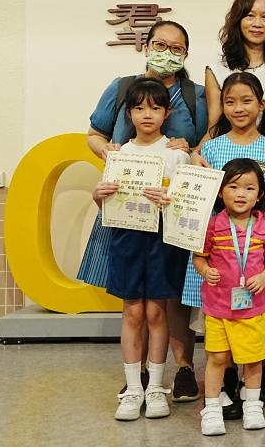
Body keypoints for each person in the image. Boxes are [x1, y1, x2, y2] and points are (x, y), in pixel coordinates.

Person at [78, 20, 207, 403]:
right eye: (160, 45)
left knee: (173, 298)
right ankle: (139, 380)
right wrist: (109, 153)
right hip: (126, 211)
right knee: (135, 304)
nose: (167, 53)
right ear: (146, 46)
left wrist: (190, 150)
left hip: (170, 217)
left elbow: (207, 141)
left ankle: (178, 370)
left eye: (176, 48)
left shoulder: (195, 95)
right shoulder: (122, 88)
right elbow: (95, 134)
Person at [182, 72, 265, 416]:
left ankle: (257, 376)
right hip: (220, 248)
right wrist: (192, 161)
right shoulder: (210, 148)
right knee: (218, 318)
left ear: (261, 105)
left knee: (256, 316)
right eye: (230, 102)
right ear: (222, 107)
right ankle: (225, 381)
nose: (238, 108)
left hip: (256, 249)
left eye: (246, 101)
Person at [92, 77, 191, 421]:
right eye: (139, 108)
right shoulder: (118, 154)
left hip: (162, 241)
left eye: (155, 107)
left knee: (157, 313)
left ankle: (156, 388)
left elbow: (187, 204)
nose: (147, 115)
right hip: (127, 239)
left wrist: (170, 199)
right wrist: (97, 196)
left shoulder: (177, 154)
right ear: (129, 113)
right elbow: (107, 204)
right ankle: (134, 388)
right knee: (133, 313)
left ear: (167, 113)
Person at [194, 159, 265, 435]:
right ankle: (211, 408)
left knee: (254, 359)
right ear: (221, 192)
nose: (241, 194)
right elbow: (199, 257)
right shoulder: (212, 226)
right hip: (218, 307)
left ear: (259, 195)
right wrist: (205, 270)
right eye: (233, 187)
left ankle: (253, 405)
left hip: (253, 308)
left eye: (249, 188)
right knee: (217, 357)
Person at [201, 0, 265, 146]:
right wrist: (194, 153)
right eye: (250, 16)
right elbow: (214, 128)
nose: (257, 24)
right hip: (231, 157)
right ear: (238, 20)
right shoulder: (216, 70)